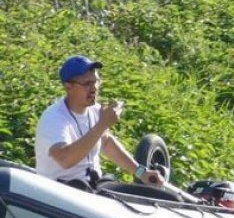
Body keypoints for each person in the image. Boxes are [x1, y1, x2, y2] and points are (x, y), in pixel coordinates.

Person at [34, 55, 165, 190]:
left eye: (96, 82)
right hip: (62, 190)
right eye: (87, 84)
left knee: (166, 197)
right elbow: (65, 159)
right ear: (68, 87)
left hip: (94, 185)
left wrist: (141, 172)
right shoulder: (53, 118)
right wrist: (102, 124)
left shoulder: (95, 110)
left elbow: (106, 142)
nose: (94, 88)